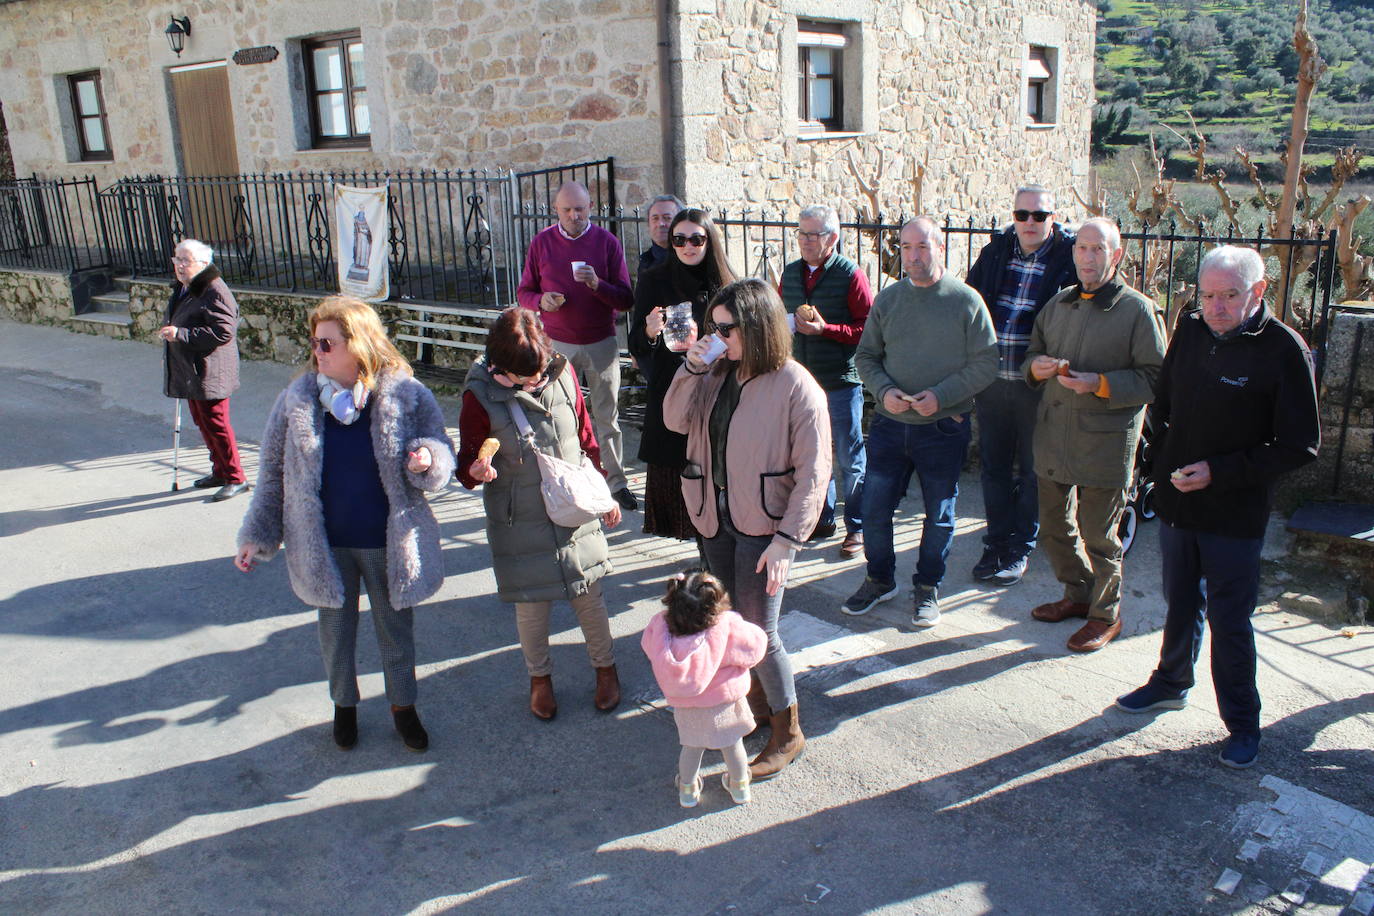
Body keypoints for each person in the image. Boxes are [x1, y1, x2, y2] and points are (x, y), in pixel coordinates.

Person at [1114, 246, 1320, 770]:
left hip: (1235, 513)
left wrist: (1220, 471)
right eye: (1207, 295)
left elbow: (1300, 445)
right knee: (1179, 601)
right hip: (1179, 502)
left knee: (1231, 620)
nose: (1217, 308)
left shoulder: (1283, 350)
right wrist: (1157, 465)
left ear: (1258, 290)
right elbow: (1166, 404)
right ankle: (1170, 682)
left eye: (1230, 296)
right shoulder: (1193, 329)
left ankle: (1243, 725)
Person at [235, 295, 455, 752]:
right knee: (336, 635)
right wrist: (257, 536)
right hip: (324, 544)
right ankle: (344, 706)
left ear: (358, 344)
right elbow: (273, 474)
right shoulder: (296, 400)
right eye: (314, 342)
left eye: (327, 343)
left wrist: (426, 458)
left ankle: (403, 707)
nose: (318, 351)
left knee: (395, 633)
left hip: (386, 539)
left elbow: (440, 448)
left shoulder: (406, 394)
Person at [662, 278, 830, 781]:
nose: (716, 337)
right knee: (729, 624)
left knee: (760, 631)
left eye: (725, 329)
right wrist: (692, 365)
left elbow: (815, 472)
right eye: (712, 328)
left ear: (757, 328)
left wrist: (788, 541)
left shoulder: (796, 386)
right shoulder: (714, 372)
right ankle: (752, 703)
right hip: (714, 517)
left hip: (764, 527)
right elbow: (673, 421)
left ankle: (789, 731)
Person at [457, 307, 624, 721]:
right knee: (531, 606)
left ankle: (606, 670)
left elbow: (587, 438)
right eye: (523, 377)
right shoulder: (478, 396)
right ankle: (540, 680)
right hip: (521, 518)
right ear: (499, 365)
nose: (535, 381)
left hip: (574, 506)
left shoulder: (562, 373)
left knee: (590, 594)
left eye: (539, 371)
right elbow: (467, 463)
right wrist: (475, 472)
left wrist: (605, 493)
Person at [845, 218, 997, 627]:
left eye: (922, 247)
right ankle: (879, 580)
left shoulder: (966, 301)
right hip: (890, 425)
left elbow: (987, 363)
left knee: (940, 514)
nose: (913, 256)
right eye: (906, 247)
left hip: (943, 428)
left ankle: (927, 588)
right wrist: (884, 390)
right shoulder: (889, 300)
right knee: (874, 510)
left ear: (940, 247)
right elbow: (865, 358)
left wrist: (942, 396)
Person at [1024, 217, 1166, 653]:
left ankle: (1106, 614)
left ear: (1116, 255)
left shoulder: (1137, 310)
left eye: (1098, 250)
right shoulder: (1059, 303)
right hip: (1054, 434)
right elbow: (1033, 354)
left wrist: (1100, 383)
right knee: (1053, 526)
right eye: (1082, 249)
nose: (1088, 258)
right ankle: (1078, 594)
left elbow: (1157, 378)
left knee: (1100, 535)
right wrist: (1037, 367)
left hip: (1105, 441)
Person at [965, 185, 1077, 586]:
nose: (1029, 222)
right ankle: (995, 541)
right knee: (994, 467)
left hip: (1039, 385)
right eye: (1022, 214)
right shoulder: (996, 251)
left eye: (1039, 215)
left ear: (1052, 217)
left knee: (1033, 470)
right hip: (992, 381)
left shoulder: (1070, 257)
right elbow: (971, 303)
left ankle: (1020, 546)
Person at [516, 181, 637, 512]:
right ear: (556, 209)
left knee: (606, 416)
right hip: (557, 344)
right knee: (554, 413)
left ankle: (616, 482)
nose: (574, 215)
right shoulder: (542, 243)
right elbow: (524, 292)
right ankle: (560, 480)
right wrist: (542, 301)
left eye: (580, 209)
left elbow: (626, 298)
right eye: (567, 210)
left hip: (601, 341)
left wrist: (598, 285)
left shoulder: (606, 242)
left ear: (590, 206)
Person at [628, 207, 737, 549]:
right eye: (679, 239)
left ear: (709, 241)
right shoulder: (654, 278)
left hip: (718, 384)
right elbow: (635, 344)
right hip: (672, 387)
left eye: (696, 239)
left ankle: (714, 553)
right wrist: (648, 330)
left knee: (716, 469)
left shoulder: (727, 283)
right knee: (681, 471)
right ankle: (701, 554)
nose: (688, 246)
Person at [780, 203, 874, 559]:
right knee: (811, 455)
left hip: (839, 380)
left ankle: (858, 528)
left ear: (832, 238)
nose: (805, 240)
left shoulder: (851, 275)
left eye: (813, 234)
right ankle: (822, 518)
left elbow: (867, 328)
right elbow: (778, 319)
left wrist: (826, 329)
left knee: (849, 457)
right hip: (801, 381)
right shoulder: (790, 275)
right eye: (801, 233)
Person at [641, 568, 767, 807]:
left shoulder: (662, 629)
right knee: (732, 745)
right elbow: (755, 648)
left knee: (691, 747)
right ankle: (739, 786)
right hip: (726, 702)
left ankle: (687, 788)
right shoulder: (727, 626)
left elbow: (648, 645)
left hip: (688, 707)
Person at [159, 239, 248, 502]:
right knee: (203, 423)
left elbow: (224, 332)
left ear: (204, 263)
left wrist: (181, 333)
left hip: (211, 370)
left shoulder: (214, 290)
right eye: (177, 259)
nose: (180, 266)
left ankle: (236, 477)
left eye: (186, 261)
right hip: (192, 370)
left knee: (217, 425)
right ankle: (220, 471)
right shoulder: (186, 287)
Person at [638, 194, 685, 283]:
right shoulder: (646, 261)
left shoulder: (689, 258)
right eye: (655, 218)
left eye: (667, 218)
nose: (660, 224)